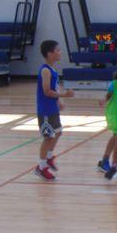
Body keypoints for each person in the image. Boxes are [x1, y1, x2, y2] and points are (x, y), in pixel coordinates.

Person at [35, 40, 75, 181]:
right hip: (45, 110)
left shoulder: (53, 69)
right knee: (48, 138)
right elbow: (47, 91)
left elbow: (54, 89)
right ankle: (41, 167)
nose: (60, 52)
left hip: (52, 108)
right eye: (58, 50)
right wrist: (64, 95)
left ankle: (49, 157)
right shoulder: (45, 70)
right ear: (50, 53)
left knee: (58, 132)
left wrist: (59, 102)